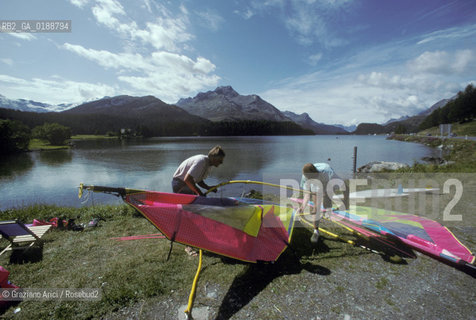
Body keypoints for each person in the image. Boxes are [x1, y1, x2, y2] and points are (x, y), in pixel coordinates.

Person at [171, 145, 225, 256]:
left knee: (196, 210)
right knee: (189, 213)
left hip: (187, 184)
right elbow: (187, 179)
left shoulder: (208, 165)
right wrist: (198, 193)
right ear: (214, 158)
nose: (221, 163)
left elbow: (198, 181)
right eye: (220, 161)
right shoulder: (201, 161)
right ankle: (188, 246)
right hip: (180, 184)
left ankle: (198, 237)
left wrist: (208, 188)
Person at [298, 162, 349, 245]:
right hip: (317, 184)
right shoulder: (305, 176)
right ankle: (316, 231)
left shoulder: (327, 171)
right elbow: (307, 194)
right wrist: (302, 207)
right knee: (316, 208)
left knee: (345, 188)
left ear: (315, 174)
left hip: (328, 180)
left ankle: (345, 204)